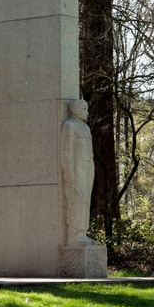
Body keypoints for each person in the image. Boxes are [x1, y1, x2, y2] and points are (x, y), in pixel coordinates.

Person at [61, 99, 95, 246]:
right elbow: (66, 151)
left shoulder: (85, 128)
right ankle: (75, 234)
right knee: (78, 197)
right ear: (74, 110)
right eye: (83, 109)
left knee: (86, 199)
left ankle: (83, 232)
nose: (86, 112)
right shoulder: (69, 126)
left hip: (88, 165)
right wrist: (69, 172)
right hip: (77, 167)